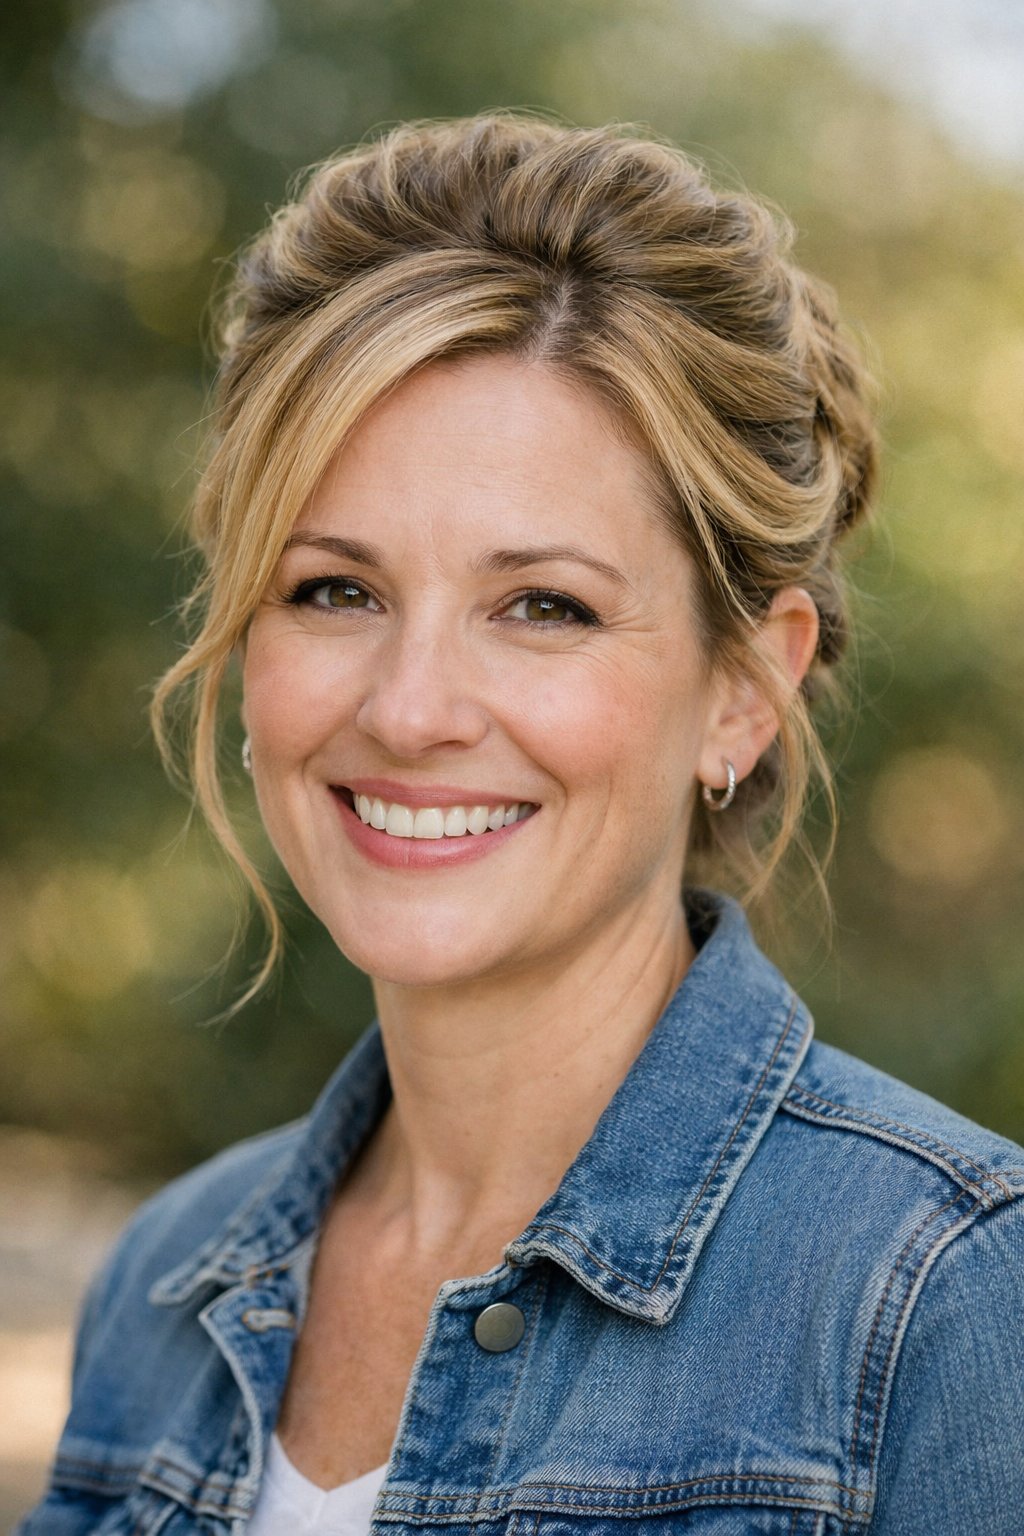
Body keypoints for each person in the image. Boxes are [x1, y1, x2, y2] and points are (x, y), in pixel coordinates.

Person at [20, 114, 1024, 1536]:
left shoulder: (944, 1297)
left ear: (743, 693)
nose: (411, 708)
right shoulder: (163, 1288)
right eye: (334, 591)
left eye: (543, 606)